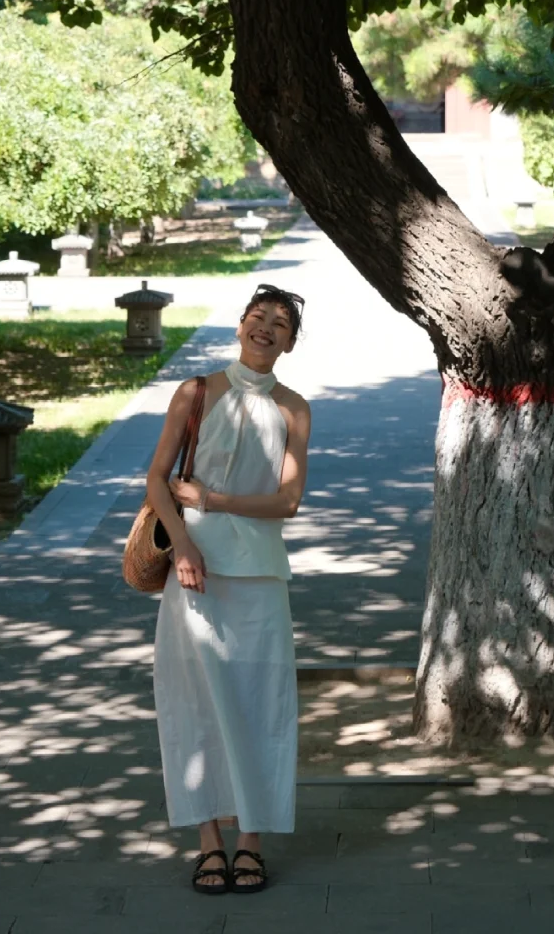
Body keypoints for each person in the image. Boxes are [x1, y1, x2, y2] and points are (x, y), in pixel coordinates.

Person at [145, 284, 311, 896]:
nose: (267, 328)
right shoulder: (195, 392)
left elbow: (287, 502)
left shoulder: (294, 408)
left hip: (262, 575)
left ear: (291, 342)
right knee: (195, 703)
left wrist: (212, 499)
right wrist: (183, 544)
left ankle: (252, 841)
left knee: (261, 704)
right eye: (258, 317)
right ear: (240, 325)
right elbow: (157, 480)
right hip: (196, 572)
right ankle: (208, 841)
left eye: (281, 323)